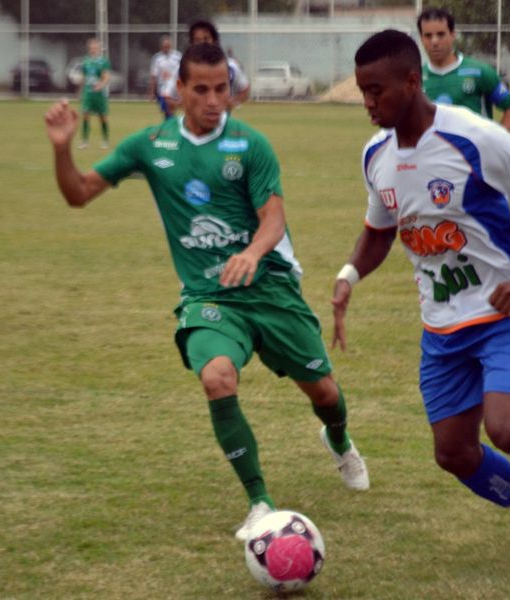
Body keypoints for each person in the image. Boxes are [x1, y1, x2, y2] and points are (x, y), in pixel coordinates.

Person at [44, 43, 369, 541]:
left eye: (222, 88)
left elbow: (273, 217)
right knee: (217, 378)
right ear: (178, 91)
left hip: (270, 287)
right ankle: (259, 501)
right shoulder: (150, 145)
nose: (214, 100)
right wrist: (63, 150)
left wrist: (253, 252)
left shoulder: (250, 144)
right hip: (209, 296)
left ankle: (340, 441)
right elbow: (78, 194)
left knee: (324, 392)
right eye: (201, 89)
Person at [332, 30, 510, 562]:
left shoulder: (476, 138)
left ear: (412, 83)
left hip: (503, 313)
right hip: (440, 329)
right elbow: (380, 231)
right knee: (453, 453)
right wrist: (348, 276)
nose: (367, 103)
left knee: (507, 429)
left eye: (376, 91)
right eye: (362, 91)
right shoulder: (375, 156)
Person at [417, 7, 510, 132]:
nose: (434, 41)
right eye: (428, 36)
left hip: (474, 151)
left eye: (440, 34)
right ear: (422, 38)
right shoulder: (415, 79)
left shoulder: (480, 72)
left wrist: (494, 143)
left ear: (453, 35)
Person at [189, 19, 251, 110]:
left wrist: (233, 102)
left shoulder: (230, 66)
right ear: (192, 43)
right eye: (197, 40)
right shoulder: (184, 67)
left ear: (214, 41)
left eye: (206, 39)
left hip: (221, 121)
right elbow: (169, 95)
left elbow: (245, 88)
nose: (202, 44)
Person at [78, 38, 111, 149]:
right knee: (85, 115)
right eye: (92, 48)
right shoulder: (85, 61)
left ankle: (105, 140)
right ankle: (84, 141)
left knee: (102, 117)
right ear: (89, 49)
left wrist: (100, 86)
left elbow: (106, 77)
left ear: (99, 49)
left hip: (99, 94)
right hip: (88, 93)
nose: (93, 49)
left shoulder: (103, 62)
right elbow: (83, 77)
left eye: (96, 47)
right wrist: (80, 91)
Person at [149, 35, 183, 119]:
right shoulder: (157, 58)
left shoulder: (178, 57)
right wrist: (152, 92)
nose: (166, 48)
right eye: (164, 46)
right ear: (161, 47)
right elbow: (154, 76)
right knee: (166, 109)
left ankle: (170, 124)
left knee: (170, 110)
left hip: (175, 87)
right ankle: (171, 123)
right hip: (162, 88)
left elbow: (183, 71)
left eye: (167, 46)